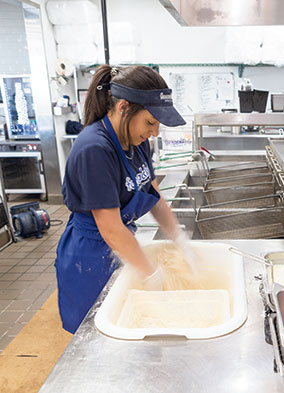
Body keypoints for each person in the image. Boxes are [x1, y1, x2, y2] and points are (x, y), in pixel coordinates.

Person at [55, 65, 193, 334]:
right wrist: (152, 274)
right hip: (90, 257)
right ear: (123, 108)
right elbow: (110, 228)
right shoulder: (95, 149)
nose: (153, 133)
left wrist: (180, 237)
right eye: (150, 122)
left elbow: (154, 195)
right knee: (95, 336)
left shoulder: (138, 140)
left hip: (119, 246)